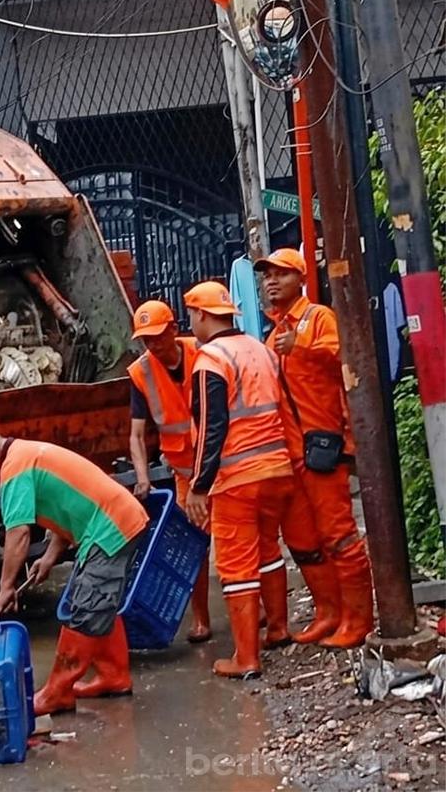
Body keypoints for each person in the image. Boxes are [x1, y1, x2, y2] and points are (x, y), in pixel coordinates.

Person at [0, 422, 149, 716]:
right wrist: (49, 557)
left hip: (111, 526)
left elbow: (18, 534)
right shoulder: (26, 456)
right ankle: (113, 676)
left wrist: (6, 587)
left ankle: (58, 692)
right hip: (110, 522)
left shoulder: (14, 468)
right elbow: (64, 507)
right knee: (99, 602)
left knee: (85, 606)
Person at [183, 281, 327, 679]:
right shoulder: (260, 349)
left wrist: (199, 484)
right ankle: (278, 627)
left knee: (236, 566)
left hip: (237, 478)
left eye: (192, 315)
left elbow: (213, 425)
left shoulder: (210, 358)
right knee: (268, 551)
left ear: (201, 315)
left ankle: (245, 657)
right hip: (277, 469)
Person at [257, 248, 375, 648]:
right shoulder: (274, 335)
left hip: (323, 447)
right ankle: (329, 612)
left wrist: (302, 347)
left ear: (301, 279)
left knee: (338, 534)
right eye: (266, 276)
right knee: (305, 541)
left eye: (280, 275)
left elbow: (349, 360)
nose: (271, 282)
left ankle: (358, 619)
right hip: (291, 455)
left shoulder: (317, 319)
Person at [126, 300, 211, 643]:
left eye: (157, 338)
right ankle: (201, 620)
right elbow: (135, 434)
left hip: (221, 466)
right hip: (184, 474)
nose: (153, 347)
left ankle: (257, 608)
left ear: (174, 330)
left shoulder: (203, 352)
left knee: (244, 542)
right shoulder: (140, 373)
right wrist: (142, 477)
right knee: (194, 547)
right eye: (146, 341)